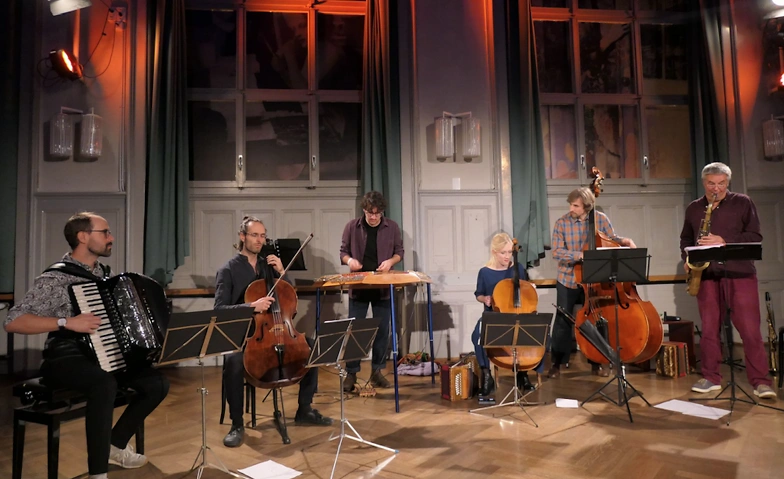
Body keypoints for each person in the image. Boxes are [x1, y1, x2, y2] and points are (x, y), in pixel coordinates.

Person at [4, 212, 169, 479]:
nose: (111, 238)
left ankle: (114, 445)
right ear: (83, 237)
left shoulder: (106, 275)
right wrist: (66, 322)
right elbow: (13, 322)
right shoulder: (55, 279)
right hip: (66, 355)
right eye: (105, 233)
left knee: (157, 383)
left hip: (105, 353)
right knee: (104, 384)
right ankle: (98, 474)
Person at [215, 216, 333, 448]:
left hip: (278, 330)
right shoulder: (227, 270)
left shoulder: (268, 266)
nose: (259, 240)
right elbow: (219, 309)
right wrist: (251, 306)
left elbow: (287, 296)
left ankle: (304, 409)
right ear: (242, 237)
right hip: (244, 335)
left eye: (262, 236)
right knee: (234, 361)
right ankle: (237, 424)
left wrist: (282, 273)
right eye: (254, 235)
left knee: (311, 347)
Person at [680, 162, 776, 399]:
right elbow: (686, 238)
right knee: (709, 329)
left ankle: (760, 381)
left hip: (740, 273)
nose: (716, 189)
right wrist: (687, 258)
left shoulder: (743, 202)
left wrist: (723, 240)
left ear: (728, 183)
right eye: (711, 184)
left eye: (721, 184)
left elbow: (754, 235)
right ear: (704, 183)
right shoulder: (694, 208)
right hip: (707, 275)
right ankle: (711, 377)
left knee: (750, 330)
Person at [549, 187, 637, 378]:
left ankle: (597, 361)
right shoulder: (562, 223)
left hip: (593, 279)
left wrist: (625, 241)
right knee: (563, 321)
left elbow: (611, 239)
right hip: (568, 278)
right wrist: (580, 255)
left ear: (587, 206)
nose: (571, 209)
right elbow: (557, 252)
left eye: (576, 206)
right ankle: (557, 363)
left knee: (596, 319)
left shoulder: (600, 219)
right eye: (571, 205)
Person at [339, 191, 404, 392]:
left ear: (382, 212)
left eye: (377, 213)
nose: (374, 217)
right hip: (359, 286)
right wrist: (351, 261)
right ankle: (351, 372)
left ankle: (377, 371)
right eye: (370, 213)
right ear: (364, 211)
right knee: (356, 331)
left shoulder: (392, 227)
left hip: (382, 286)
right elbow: (343, 252)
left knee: (382, 330)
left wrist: (390, 262)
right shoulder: (352, 226)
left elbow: (399, 252)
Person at [472, 233, 542, 397]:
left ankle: (523, 373)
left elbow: (525, 290)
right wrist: (485, 299)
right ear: (494, 252)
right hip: (495, 315)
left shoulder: (518, 268)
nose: (507, 256)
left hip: (519, 313)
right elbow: (478, 294)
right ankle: (486, 375)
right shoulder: (485, 272)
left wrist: (530, 288)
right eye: (503, 252)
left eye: (510, 252)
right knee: (477, 335)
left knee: (541, 332)